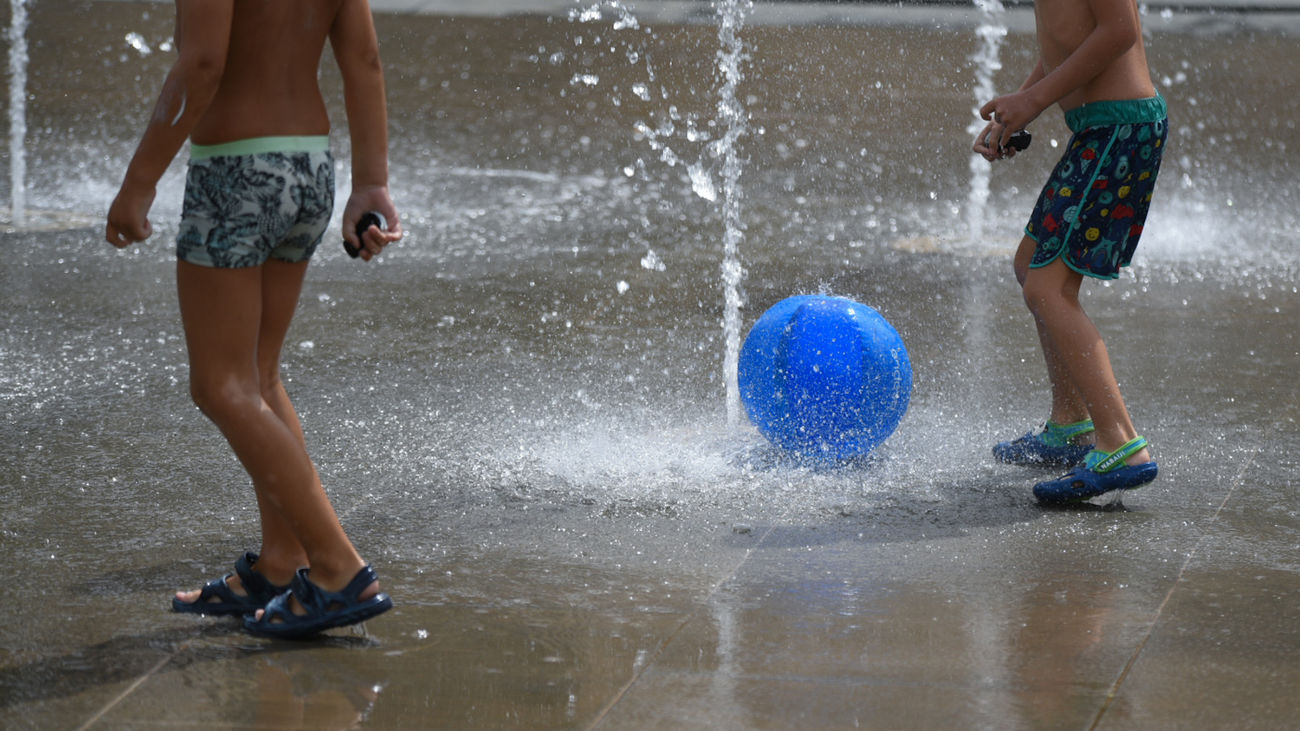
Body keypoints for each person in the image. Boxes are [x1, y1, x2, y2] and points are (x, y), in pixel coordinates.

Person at [105, 0, 402, 637]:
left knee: (221, 386)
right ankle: (280, 561)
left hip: (237, 171)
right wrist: (371, 181)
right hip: (308, 167)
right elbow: (364, 59)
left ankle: (339, 569)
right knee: (260, 376)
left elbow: (205, 60)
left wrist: (139, 181)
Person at [973, 0, 1167, 504]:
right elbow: (1067, 41)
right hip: (1100, 131)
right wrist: (1020, 100)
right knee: (1029, 266)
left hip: (1119, 131)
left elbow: (1119, 31)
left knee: (1048, 286)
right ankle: (1071, 424)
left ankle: (1120, 444)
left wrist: (1033, 101)